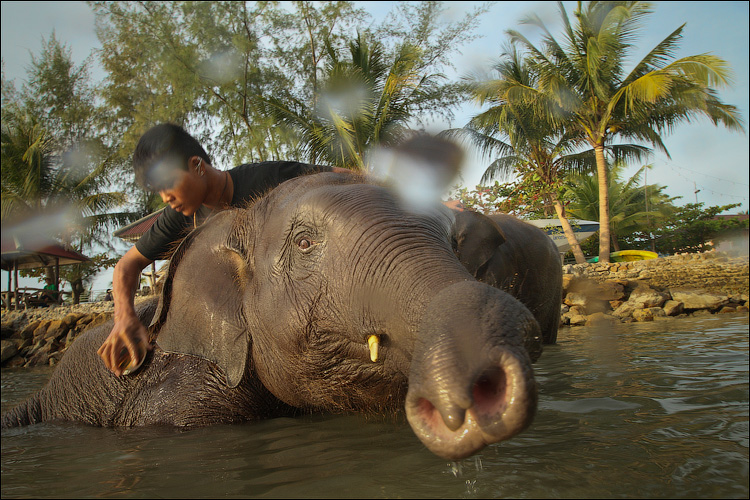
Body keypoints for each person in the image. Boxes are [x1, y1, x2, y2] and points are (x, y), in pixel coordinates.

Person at [97, 123, 346, 376]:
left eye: (168, 184)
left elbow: (345, 178)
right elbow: (126, 266)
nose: (165, 198)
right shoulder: (178, 215)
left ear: (197, 165)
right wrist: (124, 318)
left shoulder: (266, 179)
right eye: (158, 191)